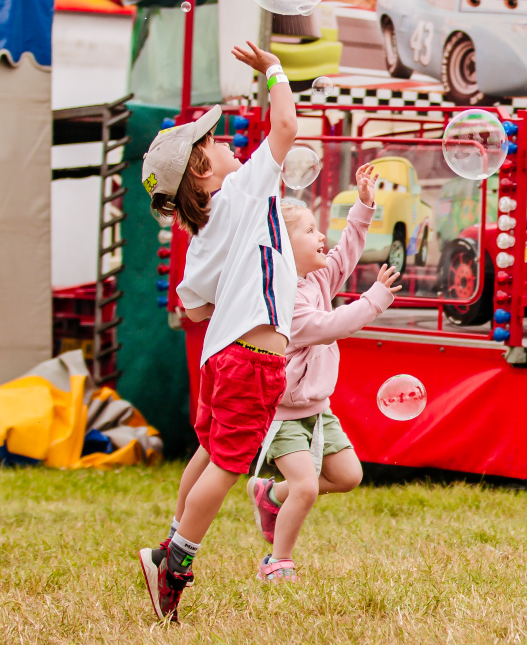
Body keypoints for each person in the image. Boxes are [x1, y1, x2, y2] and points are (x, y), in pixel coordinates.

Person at [138, 41, 299, 623]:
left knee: (209, 454)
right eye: (215, 142)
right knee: (230, 467)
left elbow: (192, 304)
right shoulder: (243, 189)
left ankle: (170, 539)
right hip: (253, 359)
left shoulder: (203, 233)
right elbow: (286, 123)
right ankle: (171, 564)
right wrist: (273, 70)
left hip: (222, 358)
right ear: (204, 171)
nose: (228, 143)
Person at [243, 161, 401, 583]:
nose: (321, 238)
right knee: (308, 487)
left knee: (348, 476)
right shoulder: (283, 297)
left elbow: (346, 253)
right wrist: (374, 301)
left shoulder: (315, 279)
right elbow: (329, 326)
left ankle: (270, 494)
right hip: (284, 415)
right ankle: (278, 561)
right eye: (310, 231)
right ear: (281, 244)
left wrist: (364, 205)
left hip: (318, 409)